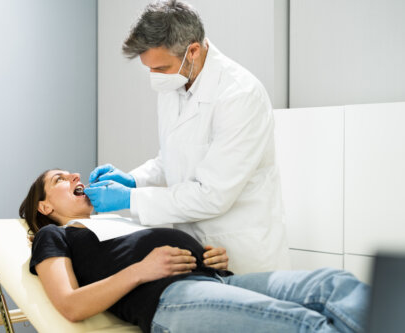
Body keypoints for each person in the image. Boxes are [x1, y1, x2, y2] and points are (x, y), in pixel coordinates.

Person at [19, 169, 370, 333]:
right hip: (169, 300)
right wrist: (143, 268)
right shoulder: (55, 234)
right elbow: (70, 305)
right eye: (59, 179)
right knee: (303, 325)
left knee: (333, 284)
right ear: (45, 207)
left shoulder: (116, 219)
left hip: (215, 281)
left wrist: (207, 258)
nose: (74, 174)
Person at [84, 0, 289, 274]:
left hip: (241, 250)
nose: (154, 77)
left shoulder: (240, 95)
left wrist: (131, 199)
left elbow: (212, 194)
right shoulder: (175, 83)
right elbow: (172, 157)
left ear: (192, 51)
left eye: (160, 68)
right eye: (149, 69)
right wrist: (135, 178)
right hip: (194, 249)